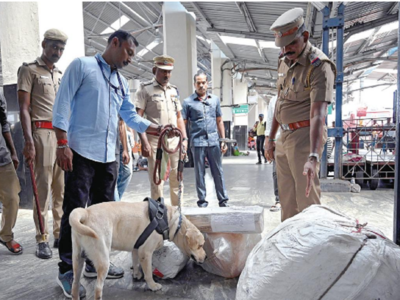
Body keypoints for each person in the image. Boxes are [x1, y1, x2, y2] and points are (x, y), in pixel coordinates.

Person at [52, 30, 165, 298]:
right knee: (75, 210)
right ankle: (67, 269)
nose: (129, 59)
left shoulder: (121, 81)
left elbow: (129, 115)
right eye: (128, 52)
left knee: (105, 217)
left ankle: (93, 262)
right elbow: (62, 103)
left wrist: (156, 129)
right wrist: (61, 144)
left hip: (108, 157)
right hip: (79, 152)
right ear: (115, 43)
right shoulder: (82, 66)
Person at [266, 8, 336, 221]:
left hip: (305, 138)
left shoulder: (319, 66)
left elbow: (318, 115)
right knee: (287, 201)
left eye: (292, 44)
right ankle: (290, 248)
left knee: (306, 201)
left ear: (305, 36)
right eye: (282, 46)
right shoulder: (284, 60)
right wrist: (270, 138)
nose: (286, 50)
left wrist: (313, 157)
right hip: (283, 139)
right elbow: (280, 102)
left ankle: (312, 248)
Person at [17, 29, 68, 259]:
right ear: (44, 44)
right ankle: (42, 238)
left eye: (61, 49)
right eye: (54, 47)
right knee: (43, 189)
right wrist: (28, 141)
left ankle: (59, 234)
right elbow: (24, 109)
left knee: (61, 189)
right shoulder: (29, 70)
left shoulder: (60, 73)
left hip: (60, 135)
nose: (57, 52)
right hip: (41, 134)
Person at [135, 55, 188, 206]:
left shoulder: (174, 91)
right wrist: (143, 142)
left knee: (177, 179)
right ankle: (159, 218)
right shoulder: (145, 90)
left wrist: (184, 139)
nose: (166, 75)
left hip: (174, 141)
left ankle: (177, 216)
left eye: (169, 72)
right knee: (157, 181)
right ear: (154, 70)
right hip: (155, 141)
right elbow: (138, 118)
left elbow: (179, 117)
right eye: (163, 71)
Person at [182, 71, 229, 208]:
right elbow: (183, 123)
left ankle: (223, 200)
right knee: (199, 173)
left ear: (207, 83)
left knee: (218, 171)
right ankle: (202, 201)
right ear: (194, 84)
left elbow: (219, 121)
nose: (201, 85)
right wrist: (184, 141)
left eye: (203, 82)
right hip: (197, 142)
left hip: (214, 141)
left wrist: (223, 140)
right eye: (198, 83)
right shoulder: (188, 102)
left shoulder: (214, 100)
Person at [0, 92, 23, 255]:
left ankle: (6, 235)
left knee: (13, 198)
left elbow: (4, 124)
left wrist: (13, 152)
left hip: (2, 156)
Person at [264, 95, 280, 212]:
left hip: (295, 139)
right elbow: (270, 121)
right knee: (276, 172)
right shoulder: (274, 100)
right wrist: (268, 141)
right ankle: (279, 200)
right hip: (277, 140)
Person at [114, 118, 132, 201]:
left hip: (124, 137)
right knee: (112, 178)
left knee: (127, 173)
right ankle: (115, 205)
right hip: (111, 140)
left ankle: (115, 202)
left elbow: (122, 123)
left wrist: (125, 149)